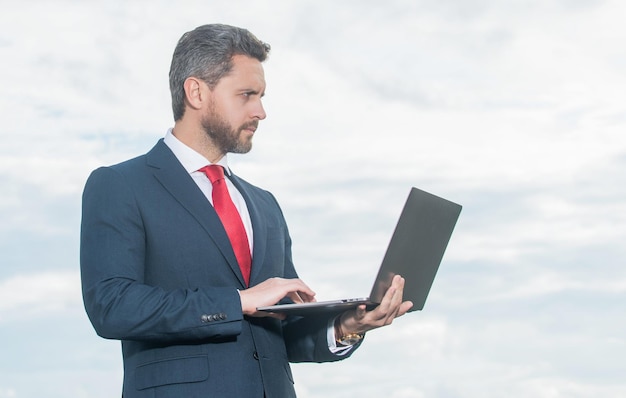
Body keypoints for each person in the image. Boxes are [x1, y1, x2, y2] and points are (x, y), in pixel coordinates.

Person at [80, 23, 413, 398]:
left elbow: (281, 331)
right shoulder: (121, 185)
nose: (261, 111)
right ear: (196, 92)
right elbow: (112, 306)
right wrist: (239, 301)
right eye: (247, 95)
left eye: (262, 96)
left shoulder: (264, 205)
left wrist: (348, 324)